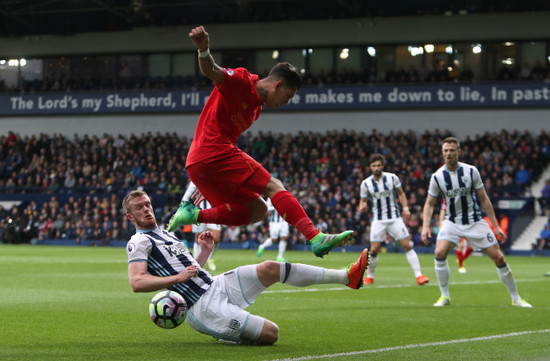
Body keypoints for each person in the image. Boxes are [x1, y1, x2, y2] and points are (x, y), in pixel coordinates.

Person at [167, 25, 354, 258]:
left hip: (201, 164)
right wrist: (204, 50)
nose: (286, 102)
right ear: (277, 85)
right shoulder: (242, 81)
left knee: (257, 210)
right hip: (211, 152)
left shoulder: (255, 110)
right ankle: (314, 237)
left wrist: (214, 176)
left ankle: (192, 215)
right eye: (288, 96)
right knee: (273, 185)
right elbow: (211, 70)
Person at [123, 190, 369, 345]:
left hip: (216, 283)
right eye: (139, 208)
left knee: (271, 267)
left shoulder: (167, 235)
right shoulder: (138, 241)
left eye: (147, 204)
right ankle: (227, 332)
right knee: (272, 334)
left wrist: (205, 252)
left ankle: (347, 277)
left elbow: (191, 273)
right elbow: (137, 282)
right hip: (202, 307)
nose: (146, 209)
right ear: (130, 217)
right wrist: (177, 277)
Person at [421, 137, 532, 307]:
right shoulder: (437, 177)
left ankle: (516, 298)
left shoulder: (471, 171)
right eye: (446, 151)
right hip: (452, 222)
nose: (449, 153)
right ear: (442, 153)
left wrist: (495, 226)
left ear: (459, 152)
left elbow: (484, 199)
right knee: (440, 252)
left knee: (499, 258)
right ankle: (444, 296)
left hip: (474, 221)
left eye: (452, 150)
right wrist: (425, 226)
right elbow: (429, 203)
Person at [358, 154, 430, 285]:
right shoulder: (366, 183)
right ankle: (370, 276)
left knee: (407, 245)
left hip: (394, 218)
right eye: (374, 166)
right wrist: (362, 206)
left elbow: (401, 193)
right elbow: (362, 201)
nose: (376, 168)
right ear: (370, 167)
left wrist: (406, 208)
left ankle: (419, 276)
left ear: (382, 166)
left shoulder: (392, 178)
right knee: (374, 249)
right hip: (378, 219)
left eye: (378, 165)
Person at [181, 180, 221, 271]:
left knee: (217, 238)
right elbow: (189, 192)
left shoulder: (216, 176)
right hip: (199, 210)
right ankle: (197, 264)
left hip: (214, 210)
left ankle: (210, 257)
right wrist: (183, 205)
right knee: (198, 238)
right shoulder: (197, 176)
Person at [439, 201, 472, 274]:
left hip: (468, 223)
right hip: (455, 224)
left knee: (472, 247)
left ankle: (461, 259)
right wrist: (440, 224)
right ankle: (461, 266)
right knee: (461, 245)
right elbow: (443, 210)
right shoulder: (447, 196)